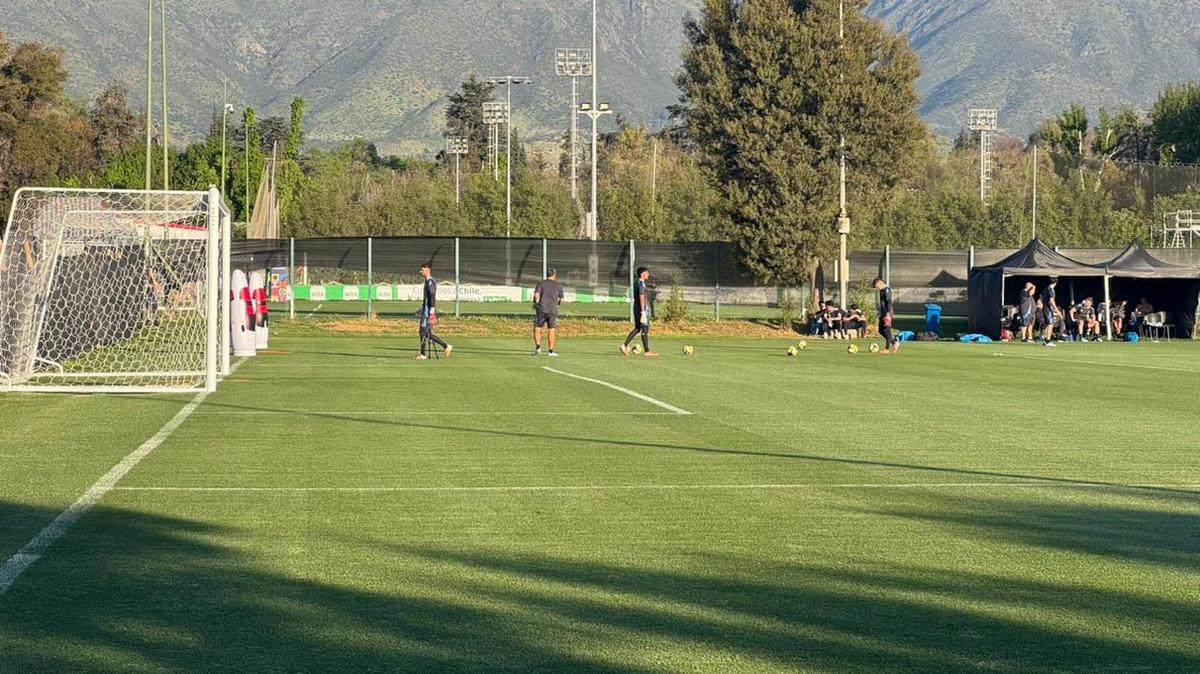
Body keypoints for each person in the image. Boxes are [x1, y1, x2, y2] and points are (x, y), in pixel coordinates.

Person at [416, 262, 452, 360]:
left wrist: (431, 312)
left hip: (428, 311)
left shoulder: (430, 282)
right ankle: (444, 346)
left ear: (427, 270)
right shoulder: (427, 281)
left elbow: (432, 297)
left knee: (423, 331)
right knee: (425, 332)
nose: (420, 271)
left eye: (422, 269)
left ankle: (424, 354)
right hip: (426, 310)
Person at [622, 267, 658, 357]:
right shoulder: (641, 283)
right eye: (647, 273)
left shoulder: (637, 281)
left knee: (638, 328)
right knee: (644, 328)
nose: (648, 274)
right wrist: (643, 312)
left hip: (637, 307)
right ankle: (647, 351)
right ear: (642, 273)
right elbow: (641, 297)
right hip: (641, 308)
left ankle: (624, 345)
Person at [532, 268, 564, 357]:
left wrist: (536, 304)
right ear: (554, 275)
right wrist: (557, 305)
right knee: (551, 329)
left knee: (537, 328)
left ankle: (538, 348)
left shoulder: (541, 283)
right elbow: (561, 299)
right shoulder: (558, 285)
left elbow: (536, 295)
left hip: (542, 309)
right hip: (552, 310)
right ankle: (550, 351)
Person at [874, 276, 898, 354]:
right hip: (883, 313)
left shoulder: (887, 290)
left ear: (880, 283)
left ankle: (887, 348)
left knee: (887, 331)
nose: (877, 288)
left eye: (877, 286)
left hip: (888, 313)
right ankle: (894, 342)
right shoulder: (881, 291)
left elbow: (889, 302)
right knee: (880, 330)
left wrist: (888, 314)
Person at [1040, 277, 1060, 346]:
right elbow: (1051, 300)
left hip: (1045, 307)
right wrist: (1057, 310)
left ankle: (1045, 339)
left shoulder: (1045, 289)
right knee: (1050, 324)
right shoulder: (1051, 290)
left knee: (1048, 323)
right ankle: (1048, 340)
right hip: (1048, 308)